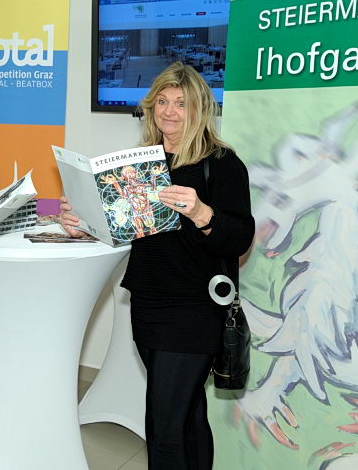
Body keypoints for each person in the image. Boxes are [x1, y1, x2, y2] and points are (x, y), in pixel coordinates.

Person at [61, 62, 254, 469]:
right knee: (188, 417)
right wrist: (85, 222)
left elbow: (239, 238)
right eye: (162, 102)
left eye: (181, 103)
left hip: (195, 309)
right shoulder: (141, 164)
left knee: (163, 430)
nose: (169, 111)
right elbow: (123, 229)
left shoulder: (221, 164)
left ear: (200, 109)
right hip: (148, 301)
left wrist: (201, 212)